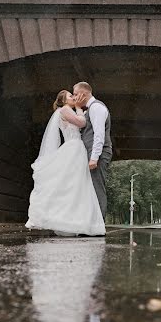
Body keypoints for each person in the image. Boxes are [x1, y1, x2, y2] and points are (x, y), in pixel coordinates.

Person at [25, 90, 105, 236]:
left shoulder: (68, 109)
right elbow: (81, 123)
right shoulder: (65, 110)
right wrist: (80, 108)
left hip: (76, 149)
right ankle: (68, 220)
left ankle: (75, 220)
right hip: (72, 147)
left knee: (76, 186)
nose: (74, 97)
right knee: (72, 185)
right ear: (63, 100)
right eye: (70, 96)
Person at [72, 82, 113, 220]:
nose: (74, 97)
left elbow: (99, 135)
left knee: (97, 188)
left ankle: (98, 225)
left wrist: (94, 158)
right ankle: (91, 223)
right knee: (90, 189)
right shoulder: (88, 110)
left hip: (98, 155)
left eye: (76, 94)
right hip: (91, 154)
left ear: (84, 94)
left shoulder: (96, 108)